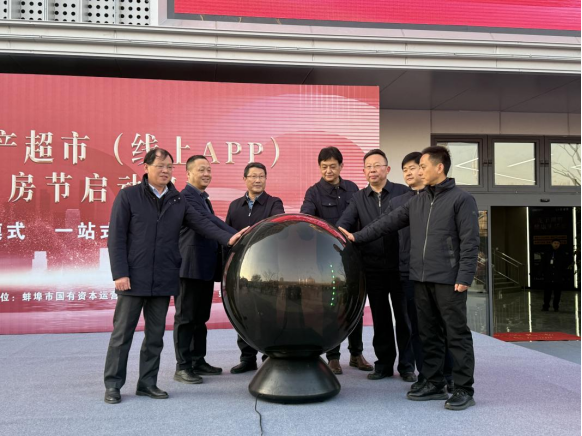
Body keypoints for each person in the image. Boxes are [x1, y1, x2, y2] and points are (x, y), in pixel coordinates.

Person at [340, 146, 480, 411]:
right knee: (428, 334)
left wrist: (465, 275)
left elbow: (470, 241)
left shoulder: (462, 199)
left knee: (456, 334)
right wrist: (356, 237)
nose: (420, 171)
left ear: (439, 167)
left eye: (423, 166)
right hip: (420, 278)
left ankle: (463, 388)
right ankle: (434, 382)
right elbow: (386, 223)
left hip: (449, 280)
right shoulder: (416, 201)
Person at [104, 148, 245, 405]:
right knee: (122, 335)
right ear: (146, 167)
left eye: (169, 167)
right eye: (160, 166)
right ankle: (113, 385)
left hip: (163, 278)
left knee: (155, 337)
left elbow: (203, 222)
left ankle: (147, 383)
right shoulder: (129, 196)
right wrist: (120, 273)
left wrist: (229, 237)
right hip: (133, 279)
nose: (165, 171)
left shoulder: (177, 200)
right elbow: (116, 238)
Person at [336, 149, 414, 382]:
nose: (373, 170)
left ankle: (407, 365)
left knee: (404, 318)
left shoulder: (404, 193)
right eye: (368, 166)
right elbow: (343, 225)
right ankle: (384, 365)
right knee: (380, 319)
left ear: (387, 169)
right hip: (372, 268)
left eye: (377, 165)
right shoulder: (358, 198)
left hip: (401, 267)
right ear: (363, 171)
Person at [300, 146, 373, 375]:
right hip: (327, 259)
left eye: (333, 166)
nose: (328, 171)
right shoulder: (313, 192)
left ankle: (356, 354)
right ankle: (333, 357)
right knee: (332, 307)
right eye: (324, 167)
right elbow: (306, 217)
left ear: (341, 166)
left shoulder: (352, 188)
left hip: (353, 256)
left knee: (356, 307)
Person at [391, 152, 455, 392]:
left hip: (440, 274)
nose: (409, 172)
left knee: (443, 327)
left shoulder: (444, 199)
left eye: (414, 167)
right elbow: (385, 229)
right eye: (405, 169)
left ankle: (448, 375)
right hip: (411, 274)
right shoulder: (400, 202)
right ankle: (426, 376)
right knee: (419, 328)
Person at [173, 155, 235, 385]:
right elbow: (207, 224)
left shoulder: (202, 198)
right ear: (188, 173)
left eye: (209, 169)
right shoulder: (185, 197)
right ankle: (183, 366)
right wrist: (232, 236)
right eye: (201, 170)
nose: (206, 174)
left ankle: (198, 360)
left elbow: (211, 221)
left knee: (200, 318)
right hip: (189, 268)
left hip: (204, 267)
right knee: (186, 318)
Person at [226, 162, 285, 374]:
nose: (257, 180)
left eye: (261, 176)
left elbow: (277, 226)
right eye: (253, 176)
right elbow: (229, 236)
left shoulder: (274, 203)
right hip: (242, 270)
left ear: (266, 179)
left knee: (269, 312)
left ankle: (270, 356)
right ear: (245, 179)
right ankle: (247, 358)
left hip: (268, 270)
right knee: (244, 312)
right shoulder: (235, 206)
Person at [542, 239, 569, 312]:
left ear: (559, 245)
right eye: (555, 243)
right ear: (552, 244)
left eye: (557, 243)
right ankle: (546, 306)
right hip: (548, 276)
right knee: (547, 293)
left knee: (557, 293)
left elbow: (565, 263)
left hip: (558, 276)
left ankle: (556, 306)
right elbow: (543, 263)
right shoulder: (547, 253)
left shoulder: (562, 253)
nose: (556, 244)